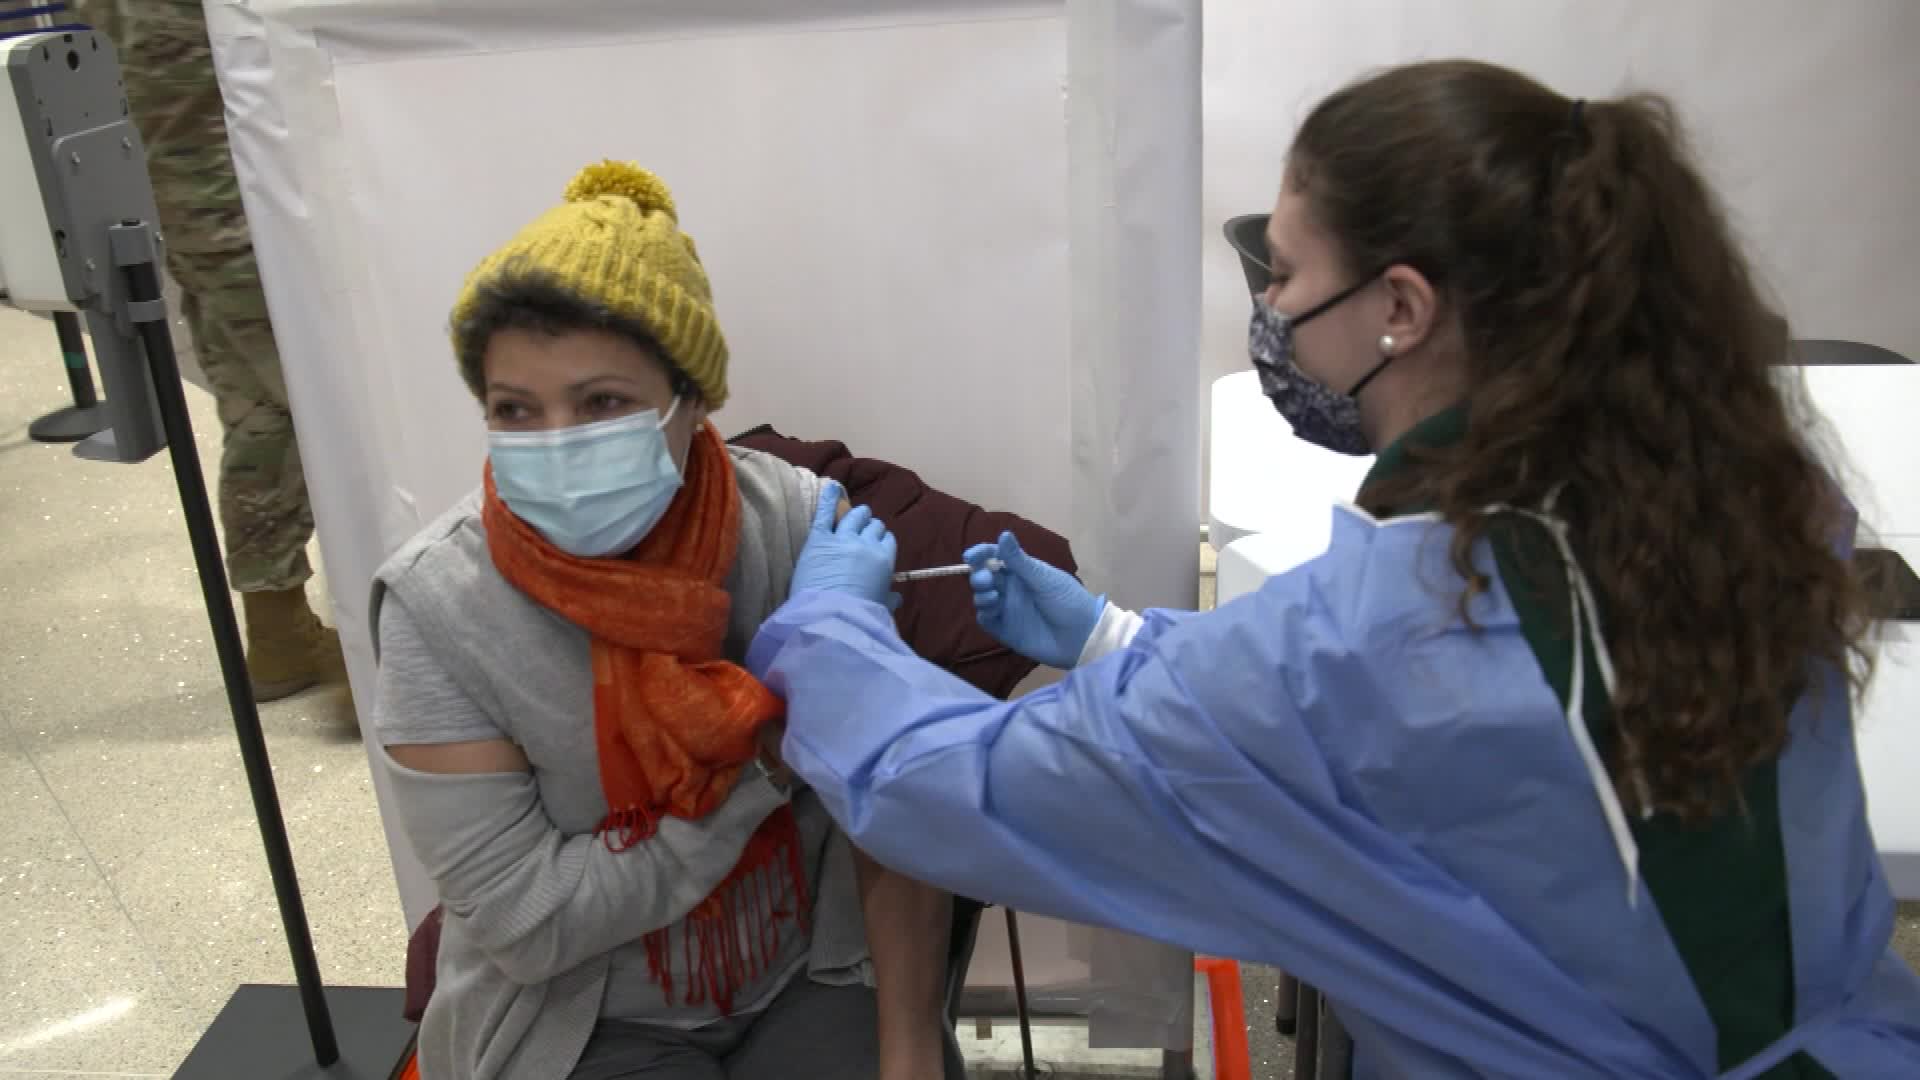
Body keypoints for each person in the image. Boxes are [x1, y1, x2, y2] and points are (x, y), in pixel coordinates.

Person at [746, 60, 1920, 1078]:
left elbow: (950, 792)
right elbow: (1465, 725)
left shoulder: (1365, 641)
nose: (1271, 309)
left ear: (1400, 307)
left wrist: (832, 631)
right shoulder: (1750, 495)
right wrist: (1119, 640)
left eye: (1289, 277)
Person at [370, 161, 954, 1079]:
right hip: (579, 1014)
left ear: (694, 402)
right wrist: (765, 758)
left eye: (602, 404)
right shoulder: (441, 610)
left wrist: (912, 1052)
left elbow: (894, 809)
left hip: (806, 972)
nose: (557, 444)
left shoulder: (798, 528)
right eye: (515, 411)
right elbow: (529, 923)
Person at [73, 0, 346, 701]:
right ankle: (381, 642)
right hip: (253, 212)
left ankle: (278, 631)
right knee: (341, 416)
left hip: (198, 211)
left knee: (263, 417)